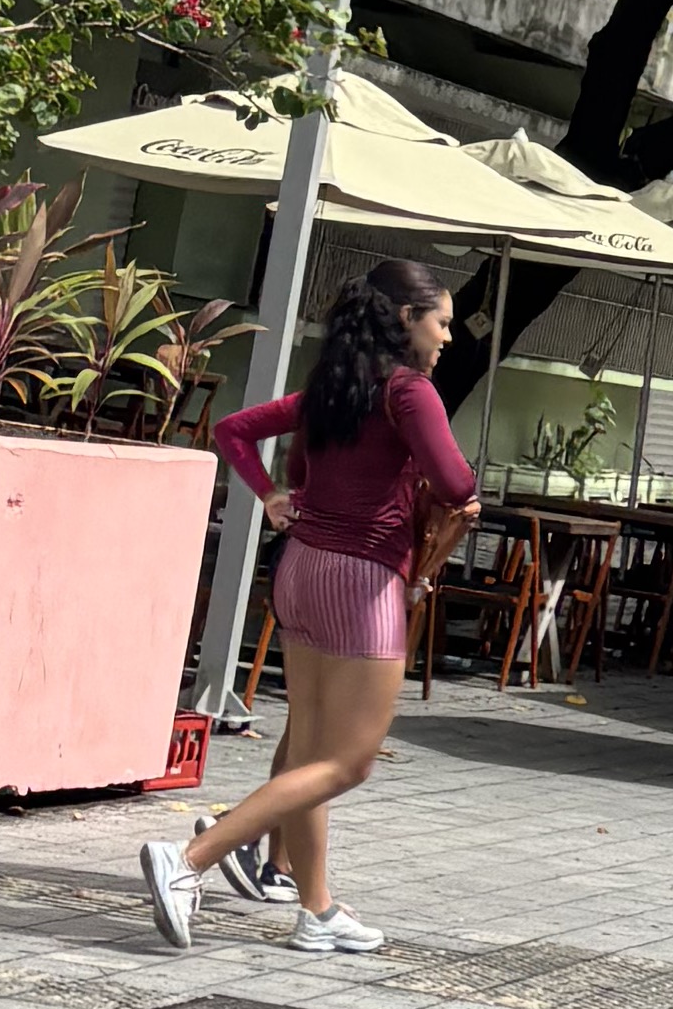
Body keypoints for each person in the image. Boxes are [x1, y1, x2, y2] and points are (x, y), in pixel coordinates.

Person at [145, 253, 469, 958]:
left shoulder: (332, 388)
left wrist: (269, 495)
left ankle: (316, 909)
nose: (448, 337)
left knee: (311, 752)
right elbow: (455, 481)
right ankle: (190, 860)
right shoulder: (410, 393)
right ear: (408, 318)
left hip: (302, 571)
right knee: (348, 762)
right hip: (362, 582)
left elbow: (235, 430)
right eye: (442, 322)